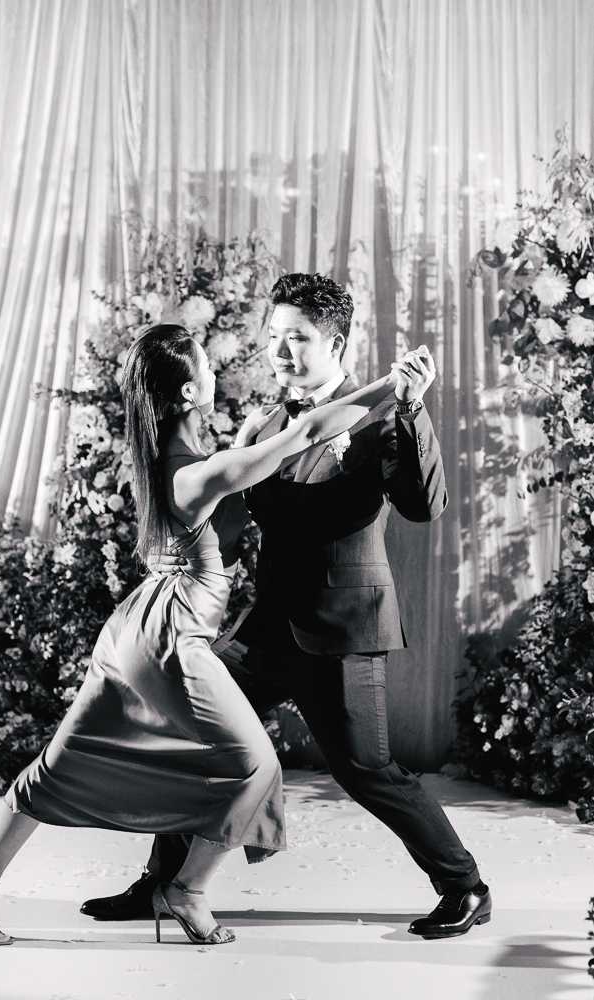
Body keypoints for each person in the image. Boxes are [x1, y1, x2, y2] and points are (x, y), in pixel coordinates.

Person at [0, 322, 399, 947]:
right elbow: (310, 430)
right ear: (187, 393)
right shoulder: (193, 474)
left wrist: (245, 444)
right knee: (255, 764)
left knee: (63, 760)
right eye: (206, 365)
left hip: (135, 627)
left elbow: (235, 498)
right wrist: (396, 385)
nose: (217, 370)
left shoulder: (183, 460)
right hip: (171, 636)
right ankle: (187, 888)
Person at [81, 274, 492, 940]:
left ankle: (464, 886)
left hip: (341, 628)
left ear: (336, 342)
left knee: (368, 771)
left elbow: (423, 506)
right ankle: (162, 884)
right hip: (265, 627)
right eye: (272, 337)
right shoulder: (266, 421)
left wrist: (412, 406)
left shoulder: (381, 411)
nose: (280, 352)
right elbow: (234, 517)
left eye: (295, 338)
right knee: (196, 737)